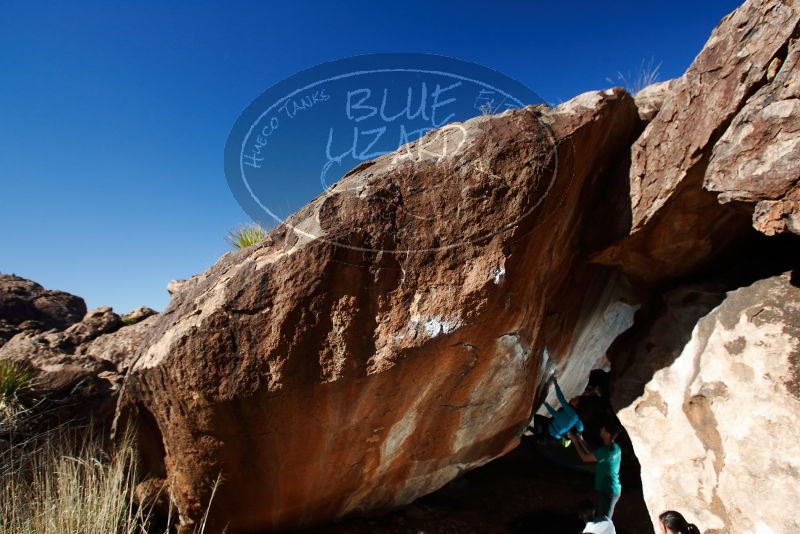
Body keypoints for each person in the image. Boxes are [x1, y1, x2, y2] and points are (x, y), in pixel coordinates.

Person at [570, 419, 622, 519]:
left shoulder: (606, 451)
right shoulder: (614, 447)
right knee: (601, 518)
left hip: (608, 491)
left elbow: (585, 458)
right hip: (611, 489)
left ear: (607, 433)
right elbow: (593, 453)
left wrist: (575, 442)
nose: (600, 429)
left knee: (604, 520)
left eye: (603, 429)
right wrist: (581, 440)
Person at [530, 374, 584, 446]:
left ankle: (537, 436)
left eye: (576, 399)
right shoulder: (575, 417)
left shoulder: (571, 411)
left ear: (577, 406)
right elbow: (580, 428)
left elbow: (561, 399)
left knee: (537, 418)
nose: (574, 398)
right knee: (542, 420)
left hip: (549, 434)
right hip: (553, 436)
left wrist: (556, 384)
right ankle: (535, 433)